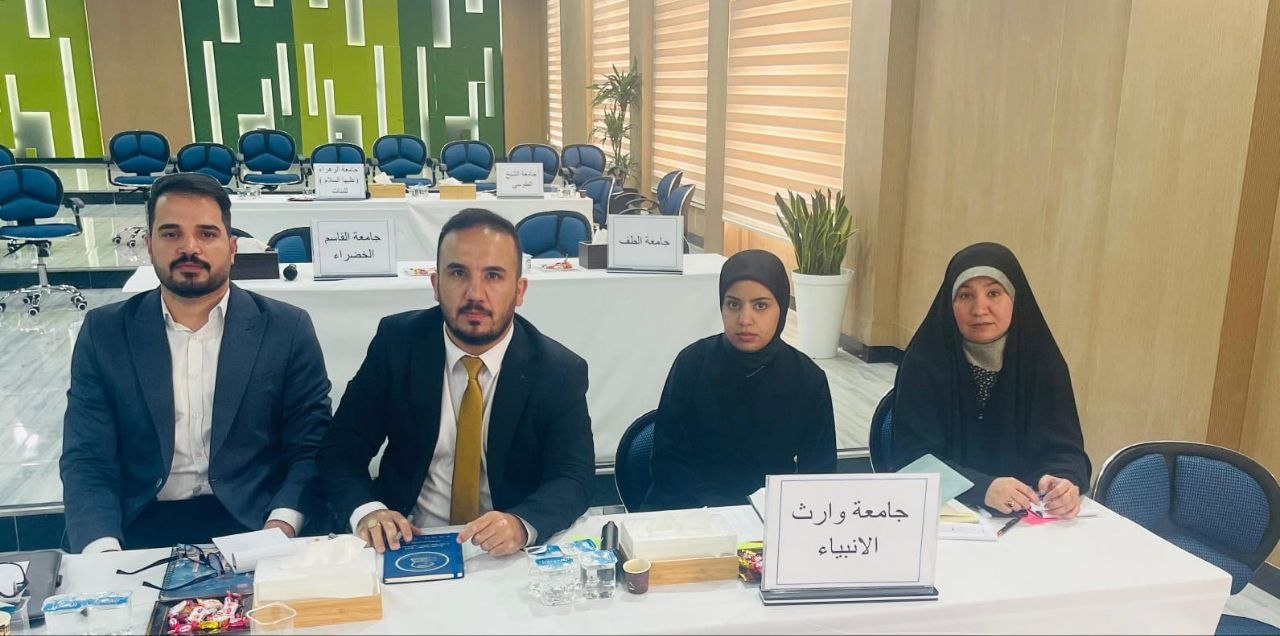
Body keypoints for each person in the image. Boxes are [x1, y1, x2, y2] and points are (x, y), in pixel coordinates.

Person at [61, 173, 333, 552]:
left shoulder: (286, 328)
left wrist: (281, 526)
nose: (190, 248)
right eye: (171, 233)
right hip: (137, 522)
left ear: (232, 247)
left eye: (207, 233)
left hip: (256, 518)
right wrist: (101, 550)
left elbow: (310, 445)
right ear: (149, 245)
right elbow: (88, 457)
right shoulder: (105, 331)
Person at [318, 208, 594, 556]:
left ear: (519, 290)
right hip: (406, 539)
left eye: (493, 275)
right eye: (458, 273)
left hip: (506, 552)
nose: (475, 293)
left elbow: (573, 477)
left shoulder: (558, 371)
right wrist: (368, 511)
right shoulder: (397, 344)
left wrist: (522, 523)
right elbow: (340, 450)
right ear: (436, 285)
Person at [890, 242, 1090, 519]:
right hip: (944, 516)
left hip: (1028, 519)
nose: (979, 309)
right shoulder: (925, 362)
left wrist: (1063, 480)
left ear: (1015, 299)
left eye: (993, 293)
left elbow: (1066, 449)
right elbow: (911, 459)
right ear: (950, 303)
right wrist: (982, 488)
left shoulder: (1043, 362)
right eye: (965, 295)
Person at [643, 249, 836, 511]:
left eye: (761, 306)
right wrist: (716, 514)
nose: (745, 320)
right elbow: (668, 462)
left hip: (769, 515)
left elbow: (819, 476)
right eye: (733, 305)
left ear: (781, 307)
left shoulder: (807, 378)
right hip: (689, 511)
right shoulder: (692, 364)